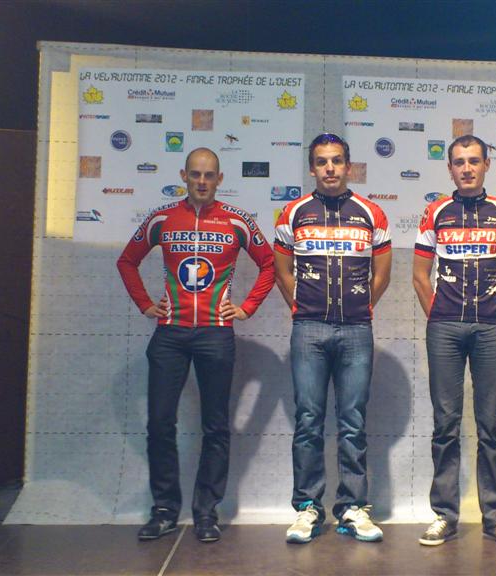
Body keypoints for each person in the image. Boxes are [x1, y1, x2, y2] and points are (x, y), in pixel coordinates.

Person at [117, 147, 275, 543]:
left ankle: (207, 513)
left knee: (215, 426)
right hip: (169, 334)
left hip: (215, 334)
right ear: (183, 176)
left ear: (219, 179)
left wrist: (247, 307)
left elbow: (270, 263)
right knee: (159, 423)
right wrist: (146, 304)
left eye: (209, 175)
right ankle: (164, 510)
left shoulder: (237, 220)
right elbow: (127, 261)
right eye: (195, 174)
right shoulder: (162, 218)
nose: (202, 181)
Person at [273, 133, 391, 543]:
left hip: (356, 330)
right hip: (308, 329)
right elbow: (282, 271)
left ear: (348, 166)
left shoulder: (371, 213)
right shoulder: (293, 213)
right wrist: (301, 306)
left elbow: (382, 274)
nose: (329, 168)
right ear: (312, 168)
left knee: (352, 421)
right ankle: (307, 508)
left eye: (337, 161)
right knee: (308, 420)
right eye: (322, 161)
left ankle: (353, 508)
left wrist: (359, 307)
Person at [412, 134, 496, 547]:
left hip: (490, 329)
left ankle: (495, 517)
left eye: (473, 161)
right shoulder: (436, 212)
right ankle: (444, 516)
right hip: (445, 328)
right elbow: (419, 276)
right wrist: (440, 316)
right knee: (445, 424)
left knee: (490, 424)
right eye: (459, 162)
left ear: (486, 165)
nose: (466, 168)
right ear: (449, 169)